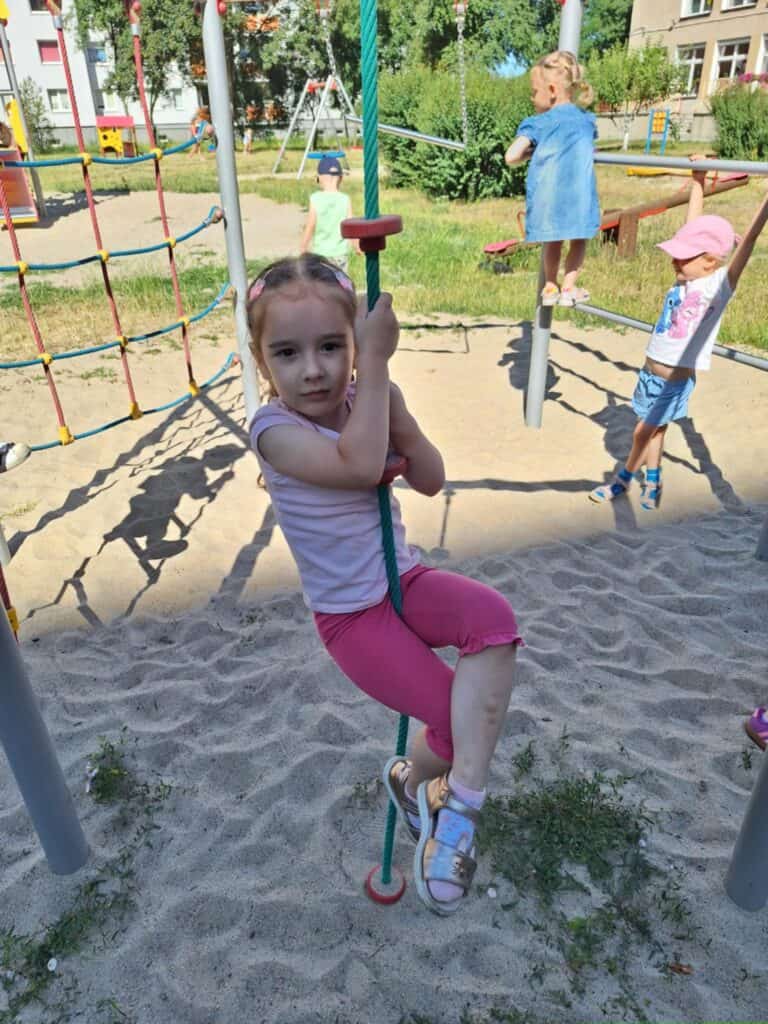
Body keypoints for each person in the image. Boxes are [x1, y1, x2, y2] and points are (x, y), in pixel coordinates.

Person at [247, 254, 523, 916]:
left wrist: (397, 416)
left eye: (332, 346)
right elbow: (358, 464)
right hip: (352, 617)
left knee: (493, 620)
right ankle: (434, 795)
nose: (313, 369)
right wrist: (374, 368)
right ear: (262, 361)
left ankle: (448, 799)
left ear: (354, 340)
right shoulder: (273, 431)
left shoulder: (367, 398)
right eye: (287, 353)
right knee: (454, 719)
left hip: (404, 577)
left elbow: (431, 478)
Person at [589, 161, 768, 510]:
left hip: (674, 382)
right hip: (649, 374)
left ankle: (622, 480)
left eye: (683, 257)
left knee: (642, 432)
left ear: (710, 261)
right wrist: (697, 181)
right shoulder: (683, 281)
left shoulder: (717, 288)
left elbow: (747, 242)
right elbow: (692, 225)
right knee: (655, 431)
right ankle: (653, 481)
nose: (674, 261)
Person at [504, 50, 600, 308]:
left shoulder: (539, 123)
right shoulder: (586, 121)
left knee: (552, 242)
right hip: (579, 198)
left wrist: (529, 154)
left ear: (552, 90)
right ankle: (568, 288)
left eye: (534, 91)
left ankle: (549, 286)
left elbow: (511, 156)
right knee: (578, 240)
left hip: (549, 201)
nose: (532, 97)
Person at [298, 156, 356, 272]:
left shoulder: (315, 198)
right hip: (340, 254)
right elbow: (351, 226)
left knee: (322, 281)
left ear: (319, 178)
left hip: (321, 255)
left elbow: (310, 225)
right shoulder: (345, 199)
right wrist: (357, 245)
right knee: (340, 281)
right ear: (341, 178)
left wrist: (303, 247)